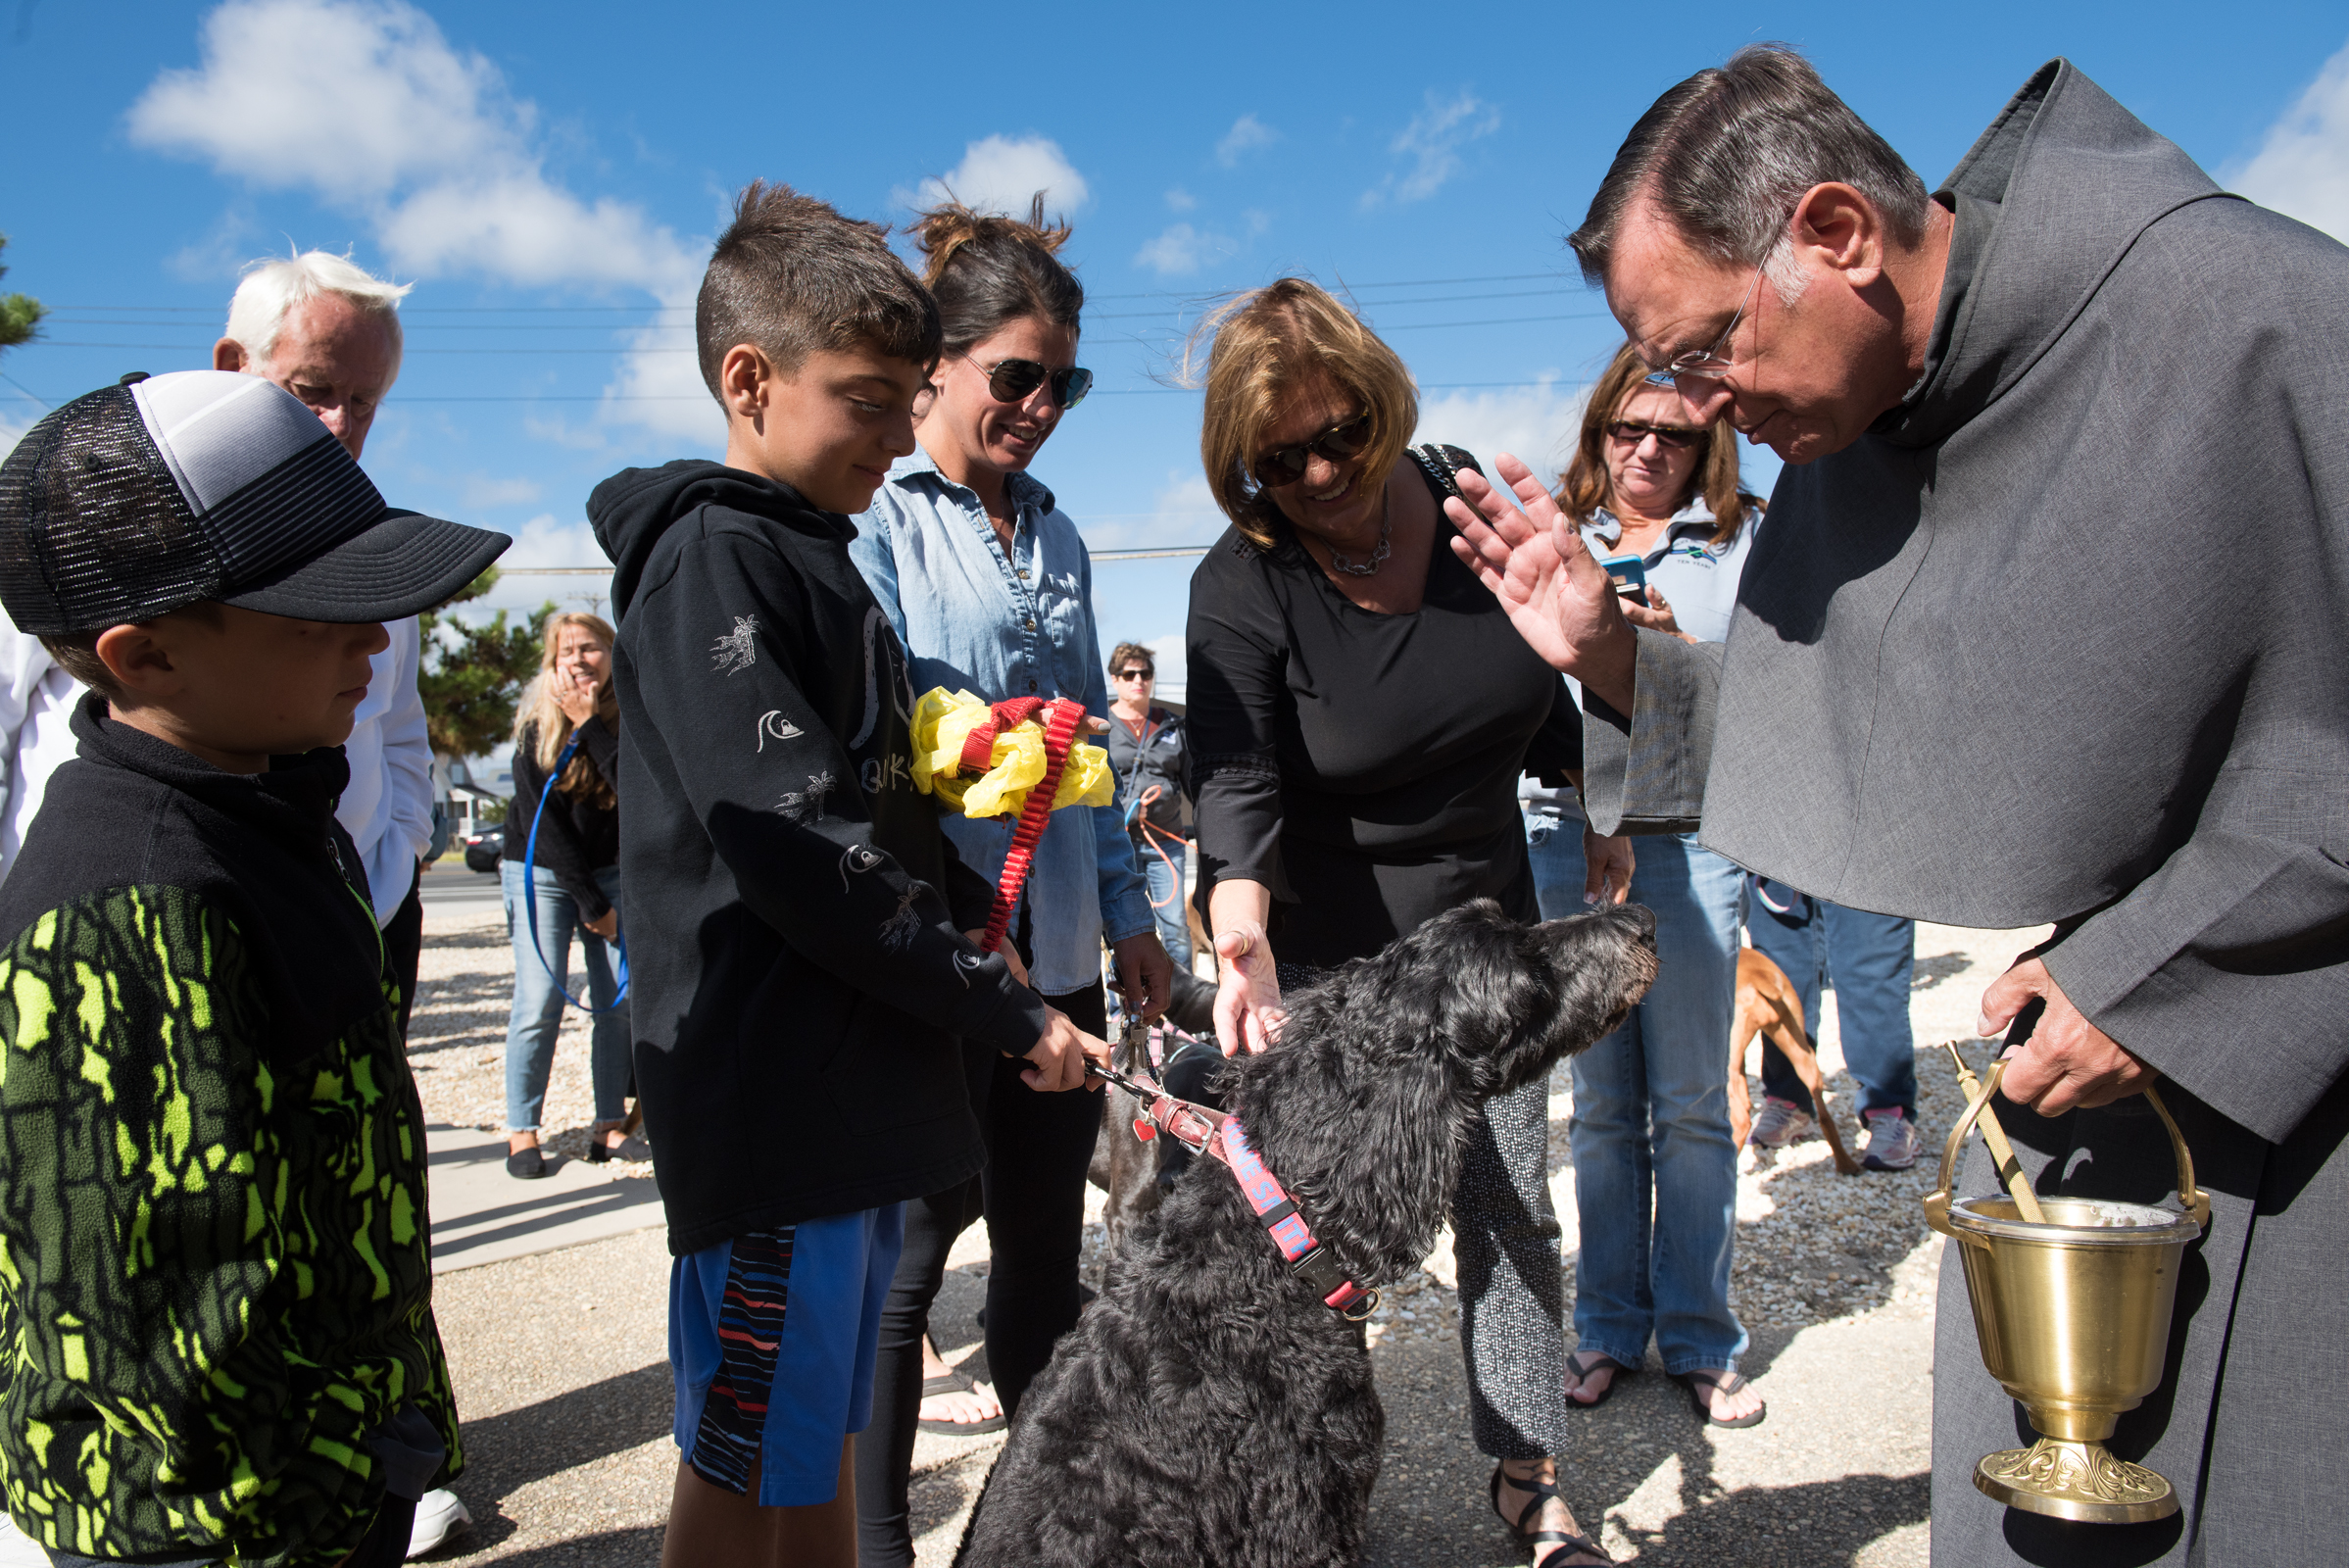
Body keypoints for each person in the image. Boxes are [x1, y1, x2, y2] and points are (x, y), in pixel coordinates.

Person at [1448, 46, 2349, 1567]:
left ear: (1838, 236)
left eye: (1705, 349)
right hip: (2080, 1102)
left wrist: (2163, 977)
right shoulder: (1854, 427)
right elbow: (1841, 728)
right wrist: (1613, 655)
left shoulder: (2256, 319)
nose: (1700, 409)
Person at [587, 181, 1108, 1568]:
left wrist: (973, 938)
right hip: (775, 1112)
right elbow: (802, 844)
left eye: (906, 398)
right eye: (868, 399)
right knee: (746, 1454)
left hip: (853, 1090)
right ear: (749, 380)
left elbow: (879, 813)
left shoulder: (813, 557)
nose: (893, 434)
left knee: (812, 1439)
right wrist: (998, 1005)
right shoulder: (713, 562)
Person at [0, 368, 508, 1567]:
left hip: (321, 1488)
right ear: (145, 655)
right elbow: (168, 1344)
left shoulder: (275, 804)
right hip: (222, 1528)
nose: (376, 640)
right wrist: (354, 1463)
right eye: (321, 611)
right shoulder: (129, 913)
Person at [1185, 278, 1616, 1568]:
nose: (1321, 470)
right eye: (1282, 457)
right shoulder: (1242, 581)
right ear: (1242, 464)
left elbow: (1544, 677)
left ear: (1386, 405)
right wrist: (1239, 930)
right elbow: (1237, 780)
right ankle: (1324, 1501)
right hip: (1324, 952)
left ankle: (1527, 1472)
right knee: (1322, 1242)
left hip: (1486, 928)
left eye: (1343, 435)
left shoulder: (1467, 499)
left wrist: (1602, 798)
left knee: (1509, 1205)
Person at [848, 198, 1169, 1566]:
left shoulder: (1061, 535)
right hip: (945, 958)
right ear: (936, 363)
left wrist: (1131, 913)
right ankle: (873, 1548)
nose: (1040, 406)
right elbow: (872, 754)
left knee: (1045, 1253)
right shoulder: (878, 521)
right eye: (1016, 375)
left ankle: (1039, 1537)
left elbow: (1086, 747)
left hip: (1060, 944)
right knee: (909, 1263)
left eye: (1064, 383)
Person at [1516, 343, 1765, 1425]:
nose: (1648, 450)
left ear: (1706, 439)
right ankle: (1609, 1327)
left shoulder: (1742, 541)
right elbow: (1515, 687)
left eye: (1673, 432)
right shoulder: (1560, 540)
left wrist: (1665, 661)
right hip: (1570, 838)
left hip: (1693, 835)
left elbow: (1778, 689)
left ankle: (1703, 1336)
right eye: (1629, 429)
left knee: (1696, 1106)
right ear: (1599, 432)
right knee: (1604, 1112)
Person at [501, 612, 638, 1179]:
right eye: (566, 652)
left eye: (590, 648)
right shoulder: (536, 725)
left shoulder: (628, 716)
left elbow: (635, 789)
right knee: (539, 1001)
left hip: (610, 872)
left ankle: (609, 1124)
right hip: (541, 872)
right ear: (551, 663)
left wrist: (590, 725)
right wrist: (593, 907)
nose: (578, 660)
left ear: (611, 653)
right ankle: (521, 1131)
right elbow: (547, 828)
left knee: (619, 1003)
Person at [1742, 876, 1920, 1170]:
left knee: (1867, 964)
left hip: (1866, 842)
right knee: (1780, 968)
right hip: (1777, 839)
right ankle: (1789, 1098)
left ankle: (1888, 1107)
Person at [1102, 639, 1193, 969]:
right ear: (1115, 679)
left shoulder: (1172, 726)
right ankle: (1121, 1008)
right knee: (1122, 929)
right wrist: (1127, 805)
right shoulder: (1101, 726)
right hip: (1118, 846)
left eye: (1145, 673)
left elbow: (1194, 786)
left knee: (1176, 929)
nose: (1138, 680)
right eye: (1129, 674)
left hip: (1167, 844)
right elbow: (1092, 787)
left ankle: (1182, 1011)